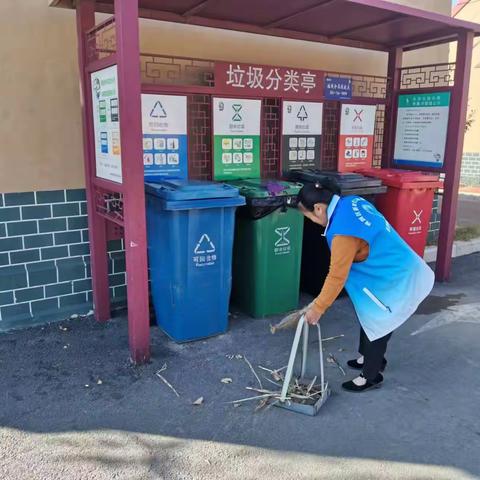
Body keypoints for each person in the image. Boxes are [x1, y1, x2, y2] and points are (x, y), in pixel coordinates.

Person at [297, 179, 434, 392]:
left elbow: (336, 276)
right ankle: (368, 357)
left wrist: (318, 308)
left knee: (380, 320)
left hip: (395, 274)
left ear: (318, 208)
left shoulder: (342, 232)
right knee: (369, 315)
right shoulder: (350, 202)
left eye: (308, 217)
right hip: (392, 264)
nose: (312, 222)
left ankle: (371, 374)